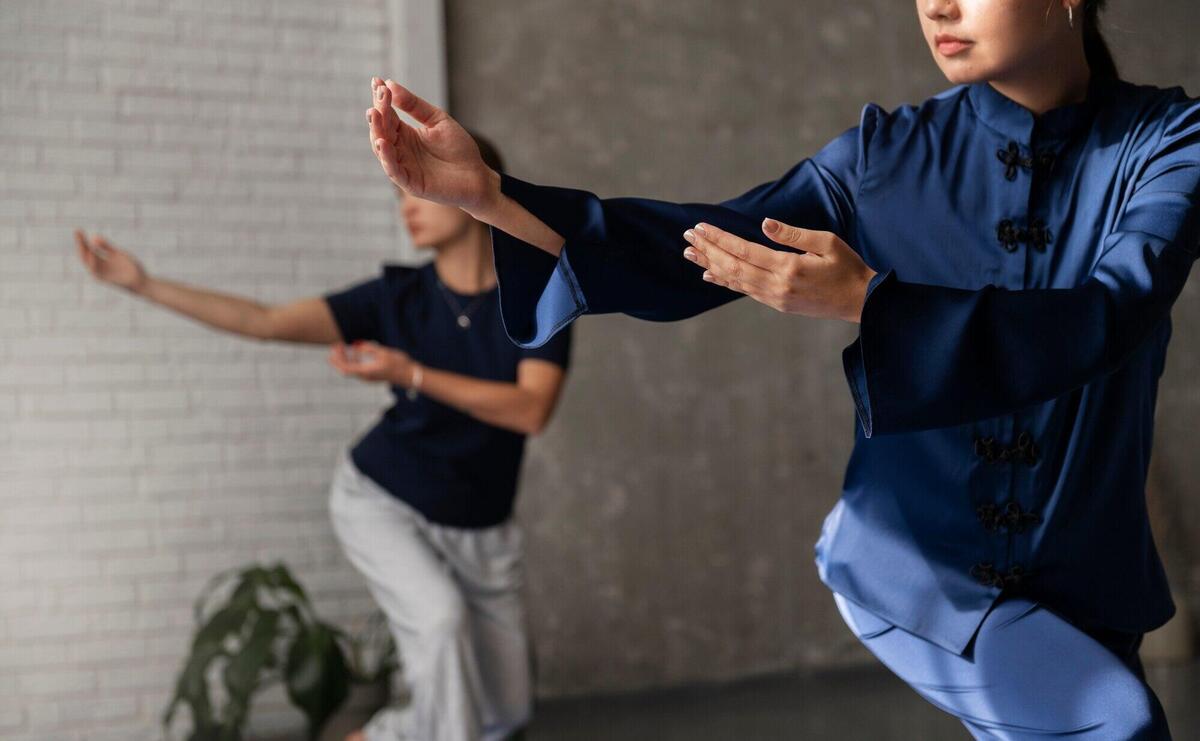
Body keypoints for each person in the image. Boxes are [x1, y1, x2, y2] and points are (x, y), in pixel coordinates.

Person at [362, 0, 1198, 738]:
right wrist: (493, 197)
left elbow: (1108, 314)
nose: (937, 6)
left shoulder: (1171, 144)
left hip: (1089, 578)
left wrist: (873, 301)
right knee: (1115, 723)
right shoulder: (883, 156)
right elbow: (697, 245)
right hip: (912, 568)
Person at [74, 134, 572, 741]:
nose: (405, 205)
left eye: (417, 188)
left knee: (503, 712)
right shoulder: (397, 297)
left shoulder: (541, 296)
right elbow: (265, 322)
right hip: (383, 499)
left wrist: (408, 373)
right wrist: (144, 285)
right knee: (440, 626)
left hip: (480, 525)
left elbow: (529, 411)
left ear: (471, 183)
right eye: (398, 194)